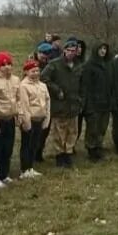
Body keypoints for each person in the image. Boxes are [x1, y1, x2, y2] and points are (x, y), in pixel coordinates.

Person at [41, 39, 83, 168]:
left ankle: (68, 153)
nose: (71, 53)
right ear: (64, 50)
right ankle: (59, 154)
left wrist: (81, 98)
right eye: (69, 50)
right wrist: (56, 89)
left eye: (74, 51)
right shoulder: (54, 64)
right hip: (60, 103)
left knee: (72, 131)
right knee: (59, 131)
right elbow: (44, 78)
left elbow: (82, 83)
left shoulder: (78, 65)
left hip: (74, 103)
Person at [0, 52, 20, 187]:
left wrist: (19, 114)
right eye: (3, 65)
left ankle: (4, 174)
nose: (7, 67)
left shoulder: (15, 80)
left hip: (10, 118)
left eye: (9, 64)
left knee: (8, 148)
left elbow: (18, 98)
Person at [18, 60, 50, 179]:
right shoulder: (23, 86)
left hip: (39, 119)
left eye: (37, 71)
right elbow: (24, 105)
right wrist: (26, 122)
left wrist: (47, 118)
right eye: (33, 71)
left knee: (34, 145)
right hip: (29, 120)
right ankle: (24, 169)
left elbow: (47, 101)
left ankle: (31, 167)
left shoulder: (42, 85)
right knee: (26, 145)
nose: (36, 73)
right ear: (26, 72)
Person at [81, 43, 113, 161]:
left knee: (102, 128)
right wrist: (87, 105)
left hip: (106, 102)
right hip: (93, 103)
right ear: (96, 50)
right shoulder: (89, 65)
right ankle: (91, 150)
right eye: (100, 48)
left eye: (105, 48)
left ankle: (99, 148)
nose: (103, 51)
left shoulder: (108, 64)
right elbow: (85, 87)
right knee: (92, 129)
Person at [33, 43, 54, 163]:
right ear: (38, 52)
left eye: (47, 54)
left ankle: (39, 152)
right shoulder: (32, 64)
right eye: (42, 53)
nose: (44, 56)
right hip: (35, 101)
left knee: (45, 129)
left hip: (47, 101)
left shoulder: (51, 65)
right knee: (35, 131)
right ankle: (33, 153)